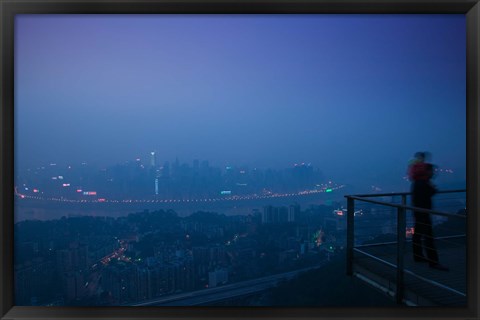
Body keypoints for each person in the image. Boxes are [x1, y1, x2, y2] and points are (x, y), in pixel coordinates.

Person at [409, 152, 448, 271]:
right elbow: (432, 192)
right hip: (424, 212)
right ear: (427, 171)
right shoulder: (425, 183)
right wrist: (432, 187)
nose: (433, 173)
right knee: (428, 236)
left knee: (418, 234)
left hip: (417, 210)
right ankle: (434, 262)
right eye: (431, 171)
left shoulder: (416, 183)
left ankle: (418, 256)